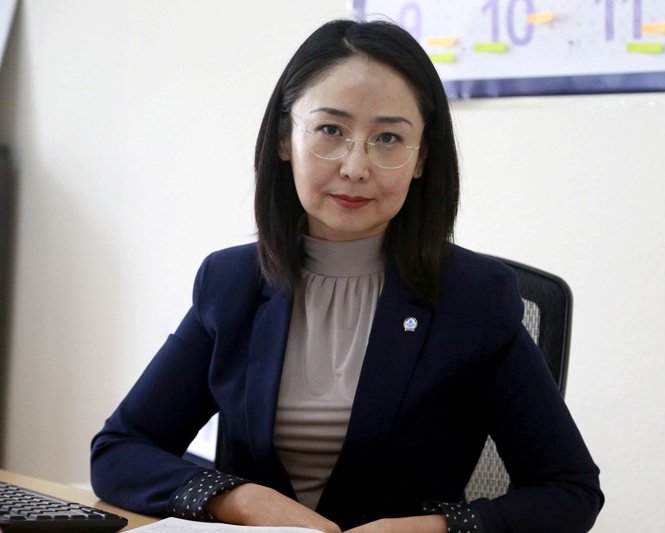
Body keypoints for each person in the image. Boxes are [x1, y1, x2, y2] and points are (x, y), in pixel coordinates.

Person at [90, 19, 603, 533]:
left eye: (388, 138)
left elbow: (569, 491)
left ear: (421, 159)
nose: (356, 166)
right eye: (331, 131)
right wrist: (238, 500)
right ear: (286, 139)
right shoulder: (231, 282)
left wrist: (434, 529)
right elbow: (120, 450)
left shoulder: (475, 296)